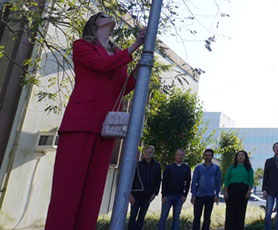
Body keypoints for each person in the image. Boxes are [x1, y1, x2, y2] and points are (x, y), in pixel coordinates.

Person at [44, 13, 145, 230]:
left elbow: (123, 87)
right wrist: (135, 45)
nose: (109, 16)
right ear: (95, 23)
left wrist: (141, 69)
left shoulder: (118, 53)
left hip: (106, 127)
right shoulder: (81, 46)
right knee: (67, 189)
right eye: (103, 15)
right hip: (80, 123)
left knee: (93, 192)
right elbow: (102, 65)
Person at [128, 145, 162, 230]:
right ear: (143, 153)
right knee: (133, 215)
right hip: (136, 194)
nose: (147, 154)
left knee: (142, 216)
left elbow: (158, 180)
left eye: (150, 152)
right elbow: (130, 179)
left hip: (148, 195)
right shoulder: (137, 165)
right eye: (146, 152)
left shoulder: (157, 166)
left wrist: (155, 193)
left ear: (153, 153)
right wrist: (130, 194)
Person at [158, 148, 192, 230]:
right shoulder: (169, 167)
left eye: (182, 155)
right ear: (175, 156)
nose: (180, 156)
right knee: (163, 216)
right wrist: (163, 195)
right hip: (168, 196)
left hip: (179, 196)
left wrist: (185, 195)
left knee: (176, 217)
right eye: (178, 154)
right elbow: (164, 182)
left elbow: (187, 183)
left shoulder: (186, 168)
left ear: (184, 156)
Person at [190, 148, 222, 230]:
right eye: (206, 155)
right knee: (197, 217)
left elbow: (218, 182)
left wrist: (217, 194)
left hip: (210, 195)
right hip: (199, 195)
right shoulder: (198, 168)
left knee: (207, 217)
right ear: (204, 156)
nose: (207, 157)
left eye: (209, 155)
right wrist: (193, 195)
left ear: (212, 157)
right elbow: (194, 182)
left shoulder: (216, 168)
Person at [224, 150, 254, 230]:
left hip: (243, 191)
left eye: (242, 155)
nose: (240, 157)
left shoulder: (249, 169)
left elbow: (251, 181)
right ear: (236, 157)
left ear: (245, 157)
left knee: (241, 212)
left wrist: (249, 191)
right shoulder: (232, 167)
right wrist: (225, 191)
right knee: (230, 211)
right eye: (239, 155)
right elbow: (226, 179)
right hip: (232, 190)